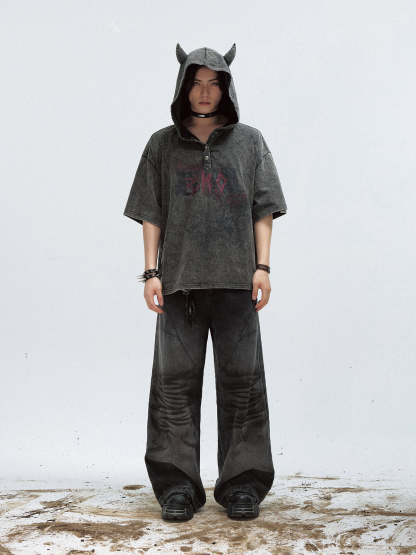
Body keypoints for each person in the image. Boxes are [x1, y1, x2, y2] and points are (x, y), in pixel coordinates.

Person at [123, 43, 288, 521]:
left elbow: (263, 208)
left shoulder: (250, 142)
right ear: (182, 86)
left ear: (227, 88)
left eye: (214, 83)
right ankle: (177, 487)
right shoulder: (161, 144)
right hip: (179, 286)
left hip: (238, 283)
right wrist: (151, 272)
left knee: (243, 386)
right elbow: (151, 212)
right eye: (196, 83)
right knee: (173, 388)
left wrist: (263, 267)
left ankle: (243, 486)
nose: (204, 92)